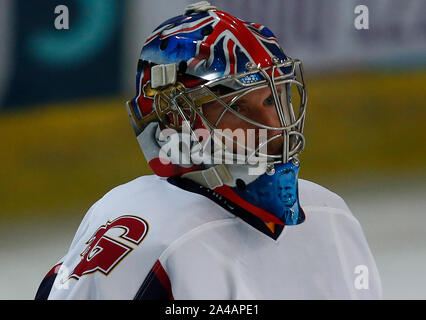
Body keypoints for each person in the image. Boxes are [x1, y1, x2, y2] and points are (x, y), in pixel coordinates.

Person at [35, 1, 382, 300]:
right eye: (238, 108)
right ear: (174, 120)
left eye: (270, 99)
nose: (274, 125)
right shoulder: (147, 234)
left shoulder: (332, 217)